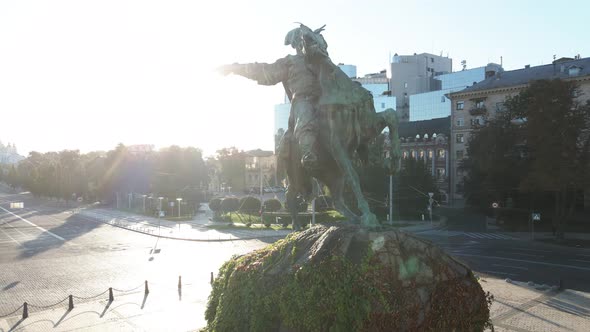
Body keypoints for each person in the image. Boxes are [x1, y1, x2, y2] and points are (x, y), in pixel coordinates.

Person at [219, 25, 328, 170]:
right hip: (304, 100)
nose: (304, 45)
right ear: (296, 44)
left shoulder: (321, 60)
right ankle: (308, 152)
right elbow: (264, 71)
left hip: (327, 99)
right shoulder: (290, 63)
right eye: (300, 42)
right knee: (304, 116)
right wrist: (236, 68)